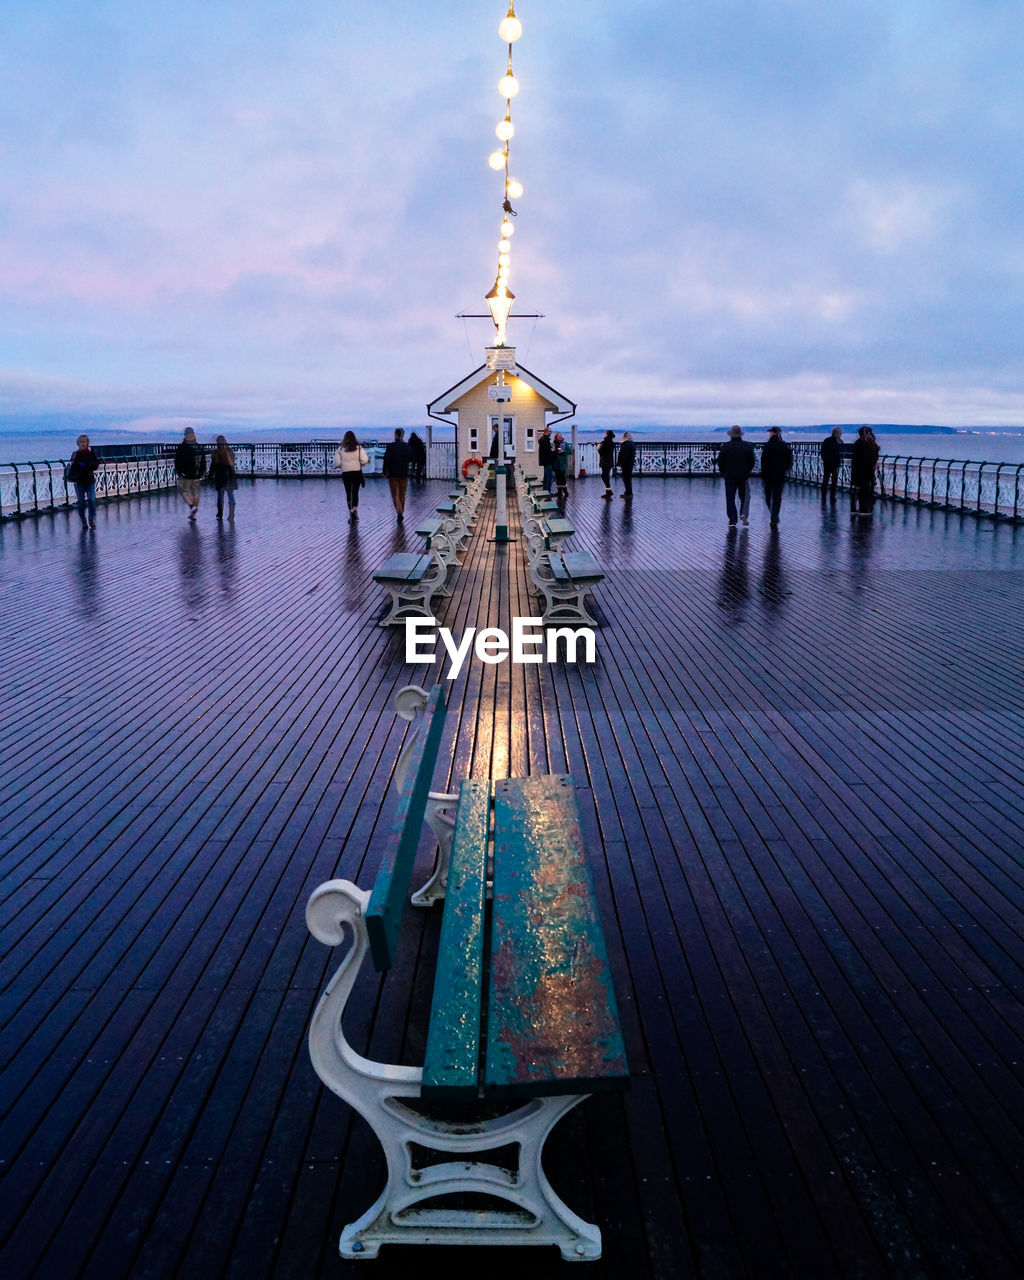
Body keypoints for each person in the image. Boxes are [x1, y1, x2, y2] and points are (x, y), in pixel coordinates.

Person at [716, 426, 755, 527]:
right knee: (744, 496)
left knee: (730, 498)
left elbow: (720, 462)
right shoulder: (747, 446)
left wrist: (723, 472)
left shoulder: (726, 446)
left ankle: (732, 520)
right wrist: (747, 471)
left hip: (729, 476)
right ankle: (743, 513)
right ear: (740, 435)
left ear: (731, 435)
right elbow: (752, 461)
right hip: (743, 476)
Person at [760, 426, 793, 528]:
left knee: (768, 496)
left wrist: (764, 472)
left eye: (770, 432)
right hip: (780, 475)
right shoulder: (784, 446)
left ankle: (773, 515)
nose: (769, 434)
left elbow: (763, 460)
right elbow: (790, 461)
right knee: (777, 497)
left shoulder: (768, 446)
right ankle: (775, 515)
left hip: (768, 475)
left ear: (773, 433)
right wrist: (784, 470)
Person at [67, 434, 100, 529]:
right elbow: (74, 465)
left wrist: (85, 465)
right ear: (78, 443)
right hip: (79, 482)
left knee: (91, 500)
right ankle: (83, 521)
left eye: (84, 442)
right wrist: (84, 465)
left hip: (90, 481)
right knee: (81, 502)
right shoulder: (76, 454)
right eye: (81, 442)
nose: (82, 444)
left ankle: (91, 519)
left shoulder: (91, 453)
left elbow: (95, 465)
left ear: (87, 443)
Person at [174, 427, 206, 521]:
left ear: (185, 435)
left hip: (186, 475)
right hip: (197, 474)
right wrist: (201, 472)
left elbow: (177, 462)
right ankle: (193, 513)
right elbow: (203, 461)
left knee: (184, 492)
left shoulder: (183, 447)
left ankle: (192, 507)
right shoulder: (199, 447)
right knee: (196, 493)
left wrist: (181, 472)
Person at [336, 430, 370, 518]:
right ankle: (355, 511)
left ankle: (351, 512)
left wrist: (343, 466)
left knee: (348, 492)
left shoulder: (340, 449)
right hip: (357, 472)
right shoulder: (359, 448)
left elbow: (337, 463)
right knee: (355, 492)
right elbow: (365, 460)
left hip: (346, 473)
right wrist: (361, 464)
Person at [382, 428, 413, 521]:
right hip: (404, 473)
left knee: (395, 494)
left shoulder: (390, 447)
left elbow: (386, 460)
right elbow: (411, 457)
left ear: (395, 434)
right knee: (402, 494)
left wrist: (384, 471)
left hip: (393, 474)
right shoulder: (406, 446)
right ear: (402, 435)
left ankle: (399, 512)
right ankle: (401, 511)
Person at [851, 426, 880, 516]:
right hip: (867, 469)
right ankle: (864, 509)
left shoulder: (858, 443)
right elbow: (871, 456)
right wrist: (873, 464)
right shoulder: (868, 443)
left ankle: (854, 508)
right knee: (865, 489)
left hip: (858, 469)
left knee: (859, 489)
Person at [208, 435, 238, 520]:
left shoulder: (216, 452)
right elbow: (232, 463)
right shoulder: (230, 451)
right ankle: (231, 514)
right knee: (230, 495)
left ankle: (220, 513)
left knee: (220, 495)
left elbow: (213, 465)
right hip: (230, 476)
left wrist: (210, 475)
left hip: (220, 476)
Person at [820, 427, 843, 500]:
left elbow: (822, 452)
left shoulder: (827, 440)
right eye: (840, 433)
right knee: (832, 480)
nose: (841, 434)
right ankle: (832, 496)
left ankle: (825, 496)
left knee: (826, 479)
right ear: (836, 433)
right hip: (832, 463)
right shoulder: (839, 441)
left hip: (829, 463)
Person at [617, 432, 637, 498]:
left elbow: (623, 455)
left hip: (625, 464)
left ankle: (628, 493)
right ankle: (628, 492)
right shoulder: (632, 444)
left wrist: (619, 462)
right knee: (628, 478)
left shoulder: (626, 444)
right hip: (630, 463)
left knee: (626, 478)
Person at [597, 429, 616, 499]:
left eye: (605, 433)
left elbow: (600, 451)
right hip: (610, 461)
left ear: (607, 434)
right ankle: (608, 491)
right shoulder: (612, 442)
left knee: (604, 476)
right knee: (606, 475)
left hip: (604, 461)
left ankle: (609, 491)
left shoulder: (604, 442)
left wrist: (598, 447)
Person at [552, 431, 569, 501]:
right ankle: (559, 492)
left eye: (560, 436)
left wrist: (563, 452)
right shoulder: (553, 444)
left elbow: (569, 452)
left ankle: (565, 491)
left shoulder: (565, 444)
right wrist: (554, 451)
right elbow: (552, 452)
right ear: (556, 437)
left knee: (562, 477)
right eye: (558, 436)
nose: (560, 437)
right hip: (556, 463)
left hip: (562, 464)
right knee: (557, 478)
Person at [538, 424, 554, 493]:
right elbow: (547, 452)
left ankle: (545, 491)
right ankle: (547, 492)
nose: (551, 433)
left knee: (546, 477)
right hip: (547, 461)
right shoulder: (545, 440)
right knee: (549, 478)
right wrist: (552, 450)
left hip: (544, 462)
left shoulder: (542, 439)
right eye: (550, 431)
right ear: (546, 432)